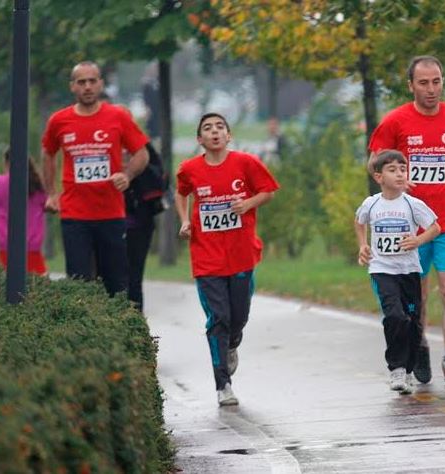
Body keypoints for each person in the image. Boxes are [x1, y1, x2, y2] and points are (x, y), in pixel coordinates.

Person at [368, 56, 445, 384]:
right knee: (419, 293)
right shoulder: (395, 121)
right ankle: (420, 345)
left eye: (437, 81)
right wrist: (395, 180)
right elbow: (374, 161)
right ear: (411, 85)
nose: (431, 89)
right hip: (410, 225)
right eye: (424, 83)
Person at [175, 113, 279, 407]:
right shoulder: (190, 169)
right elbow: (181, 193)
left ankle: (233, 343)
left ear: (228, 135)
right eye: (208, 128)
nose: (215, 132)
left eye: (220, 127)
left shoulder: (245, 163)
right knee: (218, 319)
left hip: (241, 253)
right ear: (200, 140)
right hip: (206, 257)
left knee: (239, 316)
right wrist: (184, 221)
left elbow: (268, 191)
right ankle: (223, 385)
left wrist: (248, 203)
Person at [41, 61, 150, 297]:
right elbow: (48, 153)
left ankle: (119, 331)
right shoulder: (59, 120)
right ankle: (84, 331)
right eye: (81, 82)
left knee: (116, 284)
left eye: (92, 81)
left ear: (100, 84)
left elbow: (142, 153)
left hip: (110, 214)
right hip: (74, 215)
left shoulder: (118, 116)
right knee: (78, 284)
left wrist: (127, 174)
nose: (87, 87)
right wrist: (51, 193)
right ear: (73, 87)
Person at [354, 150, 441, 395]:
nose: (400, 174)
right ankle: (396, 369)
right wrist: (363, 244)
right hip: (383, 269)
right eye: (393, 170)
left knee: (413, 321)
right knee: (395, 316)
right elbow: (359, 221)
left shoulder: (413, 205)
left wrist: (418, 239)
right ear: (379, 176)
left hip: (409, 271)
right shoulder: (371, 204)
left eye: (403, 169)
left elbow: (435, 227)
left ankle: (410, 368)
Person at [0, 150, 49, 275]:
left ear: (6, 163)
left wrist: (0, 208)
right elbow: (49, 205)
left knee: (10, 283)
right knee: (37, 284)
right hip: (32, 244)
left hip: (6, 243)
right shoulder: (38, 185)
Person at [125, 142, 166, 313]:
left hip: (138, 223)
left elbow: (158, 180)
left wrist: (133, 169)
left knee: (134, 277)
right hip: (103, 222)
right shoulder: (99, 144)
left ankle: (135, 327)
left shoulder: (142, 146)